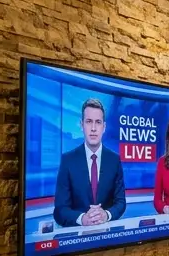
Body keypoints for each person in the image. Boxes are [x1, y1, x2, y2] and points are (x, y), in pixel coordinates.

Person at [53, 97, 127, 227]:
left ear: (104, 127)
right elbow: (60, 210)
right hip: (76, 242)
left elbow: (120, 202)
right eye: (89, 122)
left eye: (98, 122)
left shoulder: (114, 160)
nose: (93, 128)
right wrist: (82, 219)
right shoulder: (68, 161)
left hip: (109, 238)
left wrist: (106, 215)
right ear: (82, 125)